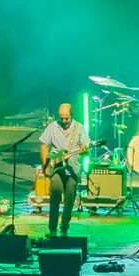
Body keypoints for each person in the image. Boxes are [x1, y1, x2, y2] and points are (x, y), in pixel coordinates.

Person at [38, 102, 90, 239]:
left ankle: (64, 228)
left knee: (70, 198)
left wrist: (85, 150)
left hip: (72, 168)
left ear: (72, 115)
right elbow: (44, 145)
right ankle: (52, 229)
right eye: (62, 118)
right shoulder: (53, 127)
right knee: (55, 195)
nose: (64, 121)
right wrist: (45, 165)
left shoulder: (79, 128)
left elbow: (86, 149)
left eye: (67, 118)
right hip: (55, 167)